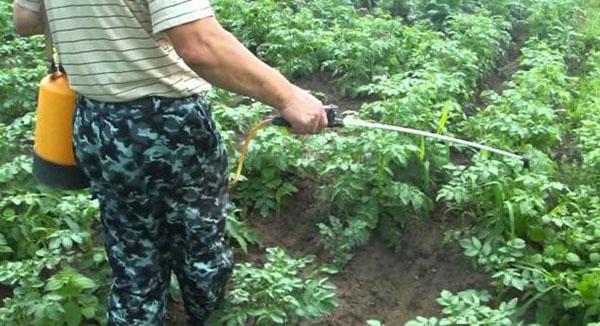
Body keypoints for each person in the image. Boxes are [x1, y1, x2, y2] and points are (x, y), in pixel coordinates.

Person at [13, 1, 328, 325]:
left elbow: (25, 21)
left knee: (133, 260)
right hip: (166, 126)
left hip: (96, 123)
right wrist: (288, 96)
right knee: (199, 253)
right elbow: (199, 45)